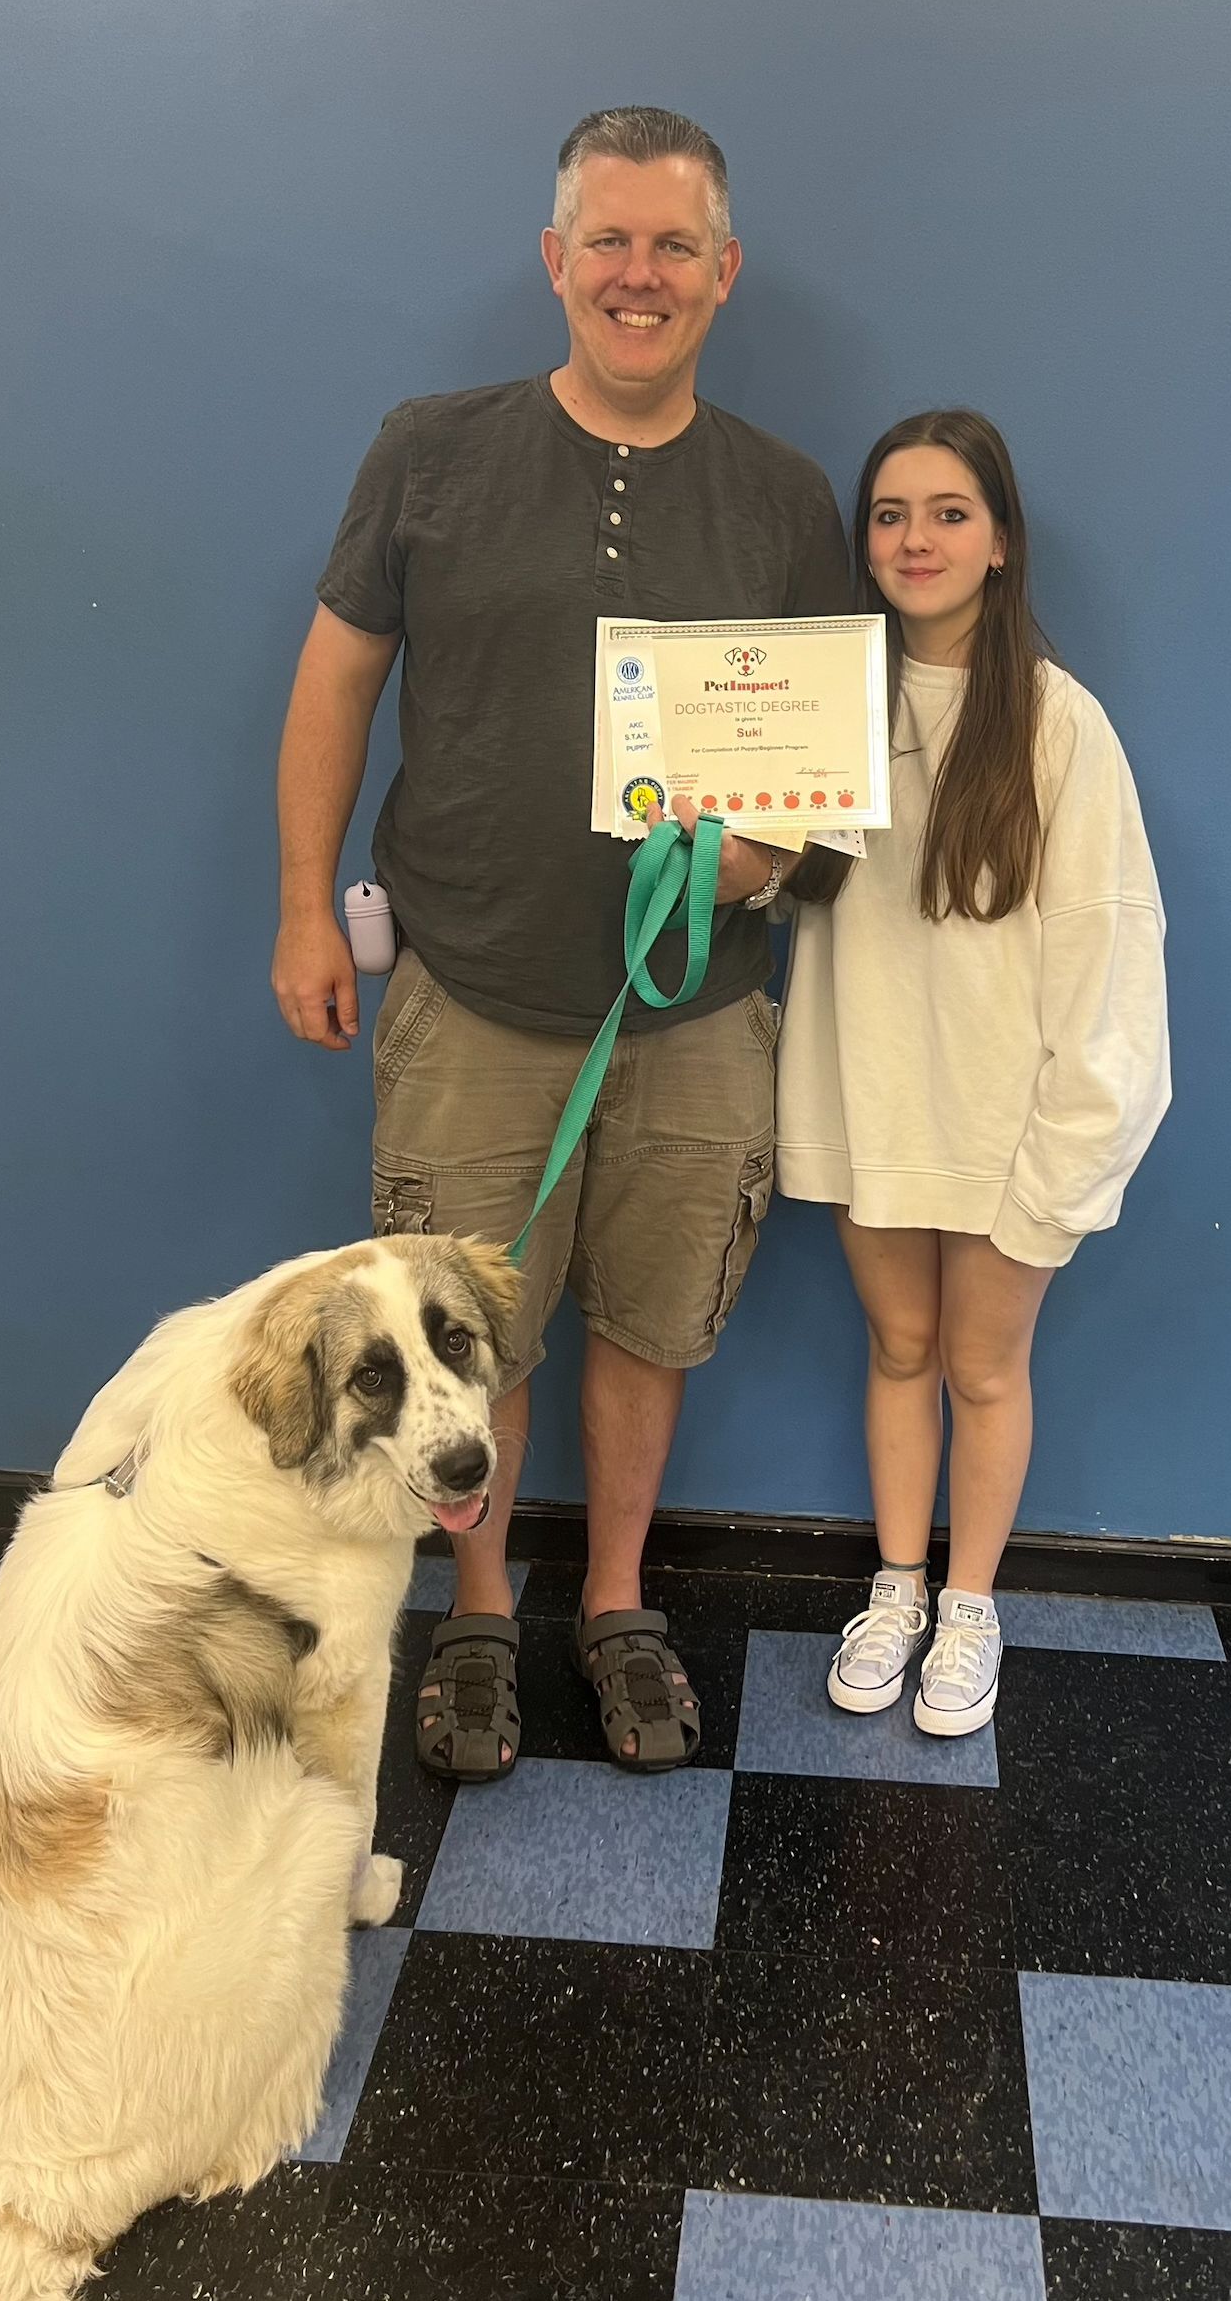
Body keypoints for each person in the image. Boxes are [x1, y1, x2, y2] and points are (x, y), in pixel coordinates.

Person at [271, 107, 848, 1778]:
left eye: (675, 246)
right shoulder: (428, 453)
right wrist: (307, 904)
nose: (639, 276)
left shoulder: (783, 496)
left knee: (654, 1319)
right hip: (472, 995)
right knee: (461, 1344)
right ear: (556, 259)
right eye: (609, 240)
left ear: (723, 275)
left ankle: (612, 1603)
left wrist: (771, 854)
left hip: (698, 1012)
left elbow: (830, 754)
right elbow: (335, 682)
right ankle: (470, 1615)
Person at [776, 410, 1170, 1737]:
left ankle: (972, 1603)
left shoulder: (1060, 725)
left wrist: (1073, 1146)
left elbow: (1109, 951)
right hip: (868, 1099)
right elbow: (780, 889)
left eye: (949, 512)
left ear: (1001, 542)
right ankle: (897, 1586)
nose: (916, 538)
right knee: (900, 1349)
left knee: (983, 1370)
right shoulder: (824, 704)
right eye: (890, 514)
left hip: (1008, 1121)